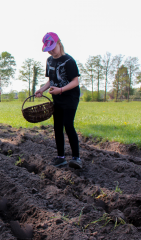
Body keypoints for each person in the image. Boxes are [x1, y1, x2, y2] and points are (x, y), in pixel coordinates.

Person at [35, 32, 82, 169]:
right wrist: (42, 89)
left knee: (68, 125)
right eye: (48, 49)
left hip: (70, 97)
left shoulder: (69, 61)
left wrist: (60, 90)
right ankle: (61, 157)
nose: (50, 51)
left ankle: (76, 158)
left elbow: (75, 82)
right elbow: (51, 80)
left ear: (59, 43)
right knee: (57, 127)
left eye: (52, 48)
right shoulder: (49, 61)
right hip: (57, 98)